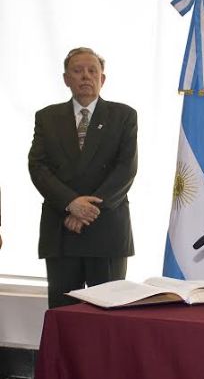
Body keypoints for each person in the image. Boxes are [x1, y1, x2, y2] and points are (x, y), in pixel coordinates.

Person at [28, 47, 138, 308]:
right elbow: (38, 167)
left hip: (106, 230)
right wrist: (71, 203)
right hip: (61, 229)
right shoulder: (47, 117)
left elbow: (126, 169)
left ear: (103, 78)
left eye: (92, 71)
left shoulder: (124, 116)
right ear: (66, 78)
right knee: (64, 315)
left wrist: (85, 210)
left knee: (108, 320)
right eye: (77, 71)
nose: (85, 77)